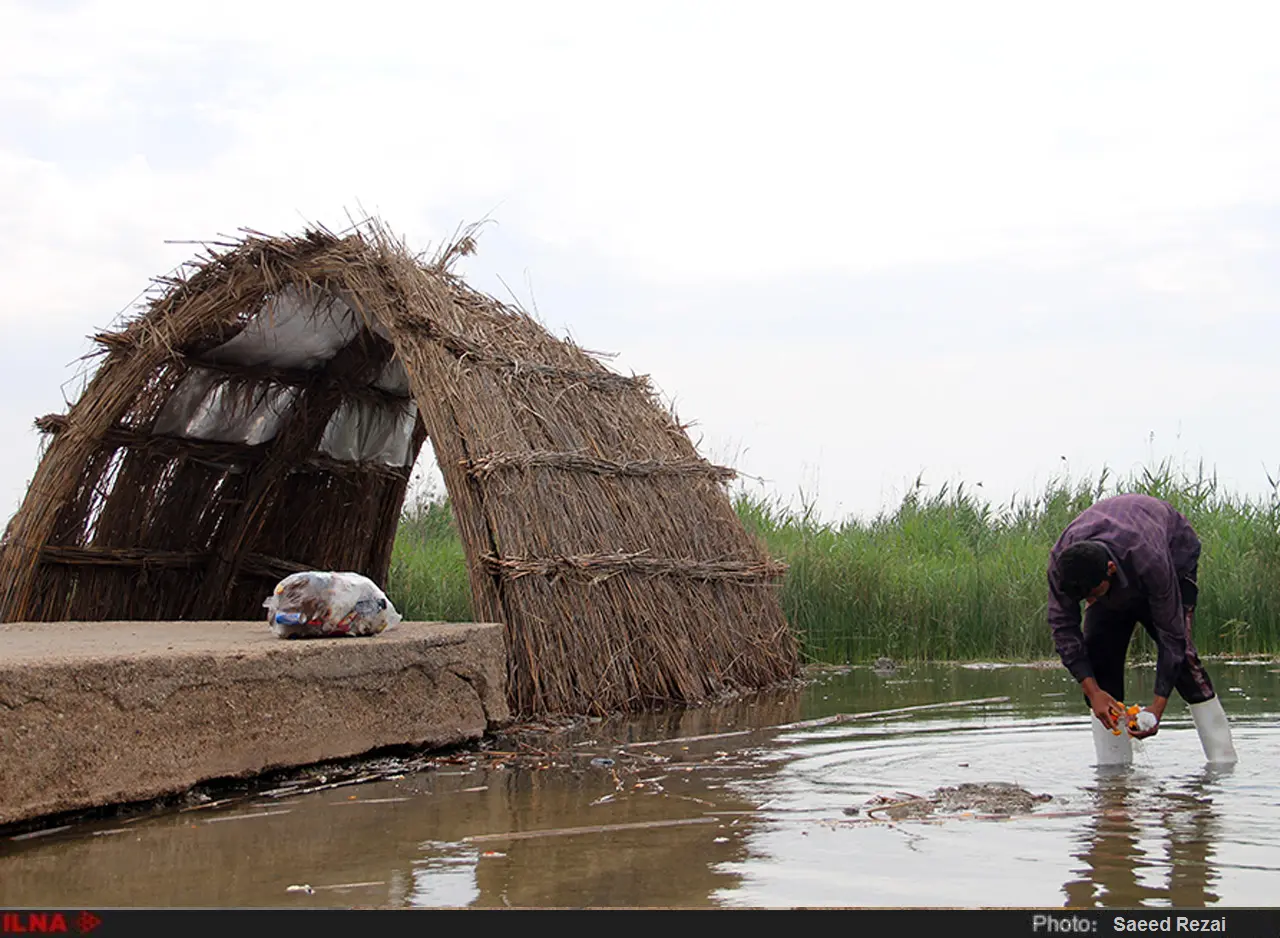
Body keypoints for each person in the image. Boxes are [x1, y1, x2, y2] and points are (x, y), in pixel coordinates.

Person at [1046, 492, 1237, 765]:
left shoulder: (1150, 559)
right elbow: (1063, 628)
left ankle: (1223, 763)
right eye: (1084, 599)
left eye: (1093, 594)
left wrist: (1156, 709)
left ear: (1110, 569)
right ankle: (1114, 775)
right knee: (1099, 664)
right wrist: (1093, 692)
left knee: (1184, 662)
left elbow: (1172, 638)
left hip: (1171, 555)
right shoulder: (1062, 566)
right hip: (1112, 561)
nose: (1090, 602)